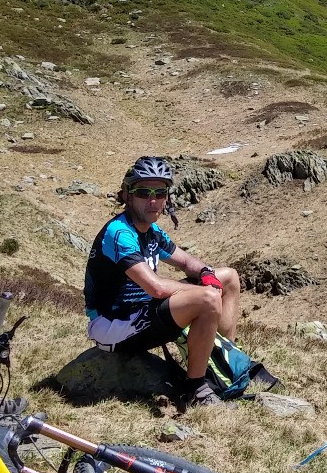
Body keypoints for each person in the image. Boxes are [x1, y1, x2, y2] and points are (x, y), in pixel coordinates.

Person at [84, 156, 242, 406]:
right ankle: (196, 389)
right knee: (208, 298)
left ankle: (223, 361)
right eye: (144, 192)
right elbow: (156, 287)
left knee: (229, 278)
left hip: (141, 314)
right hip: (114, 325)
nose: (153, 200)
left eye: (160, 192)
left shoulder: (153, 231)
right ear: (127, 195)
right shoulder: (119, 233)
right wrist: (200, 290)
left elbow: (186, 262)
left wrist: (206, 273)